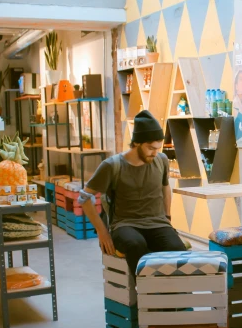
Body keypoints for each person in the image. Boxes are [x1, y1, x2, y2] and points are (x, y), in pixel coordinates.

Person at [78, 110, 186, 276]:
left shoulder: (161, 160)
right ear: (136, 143)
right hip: (125, 224)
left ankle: (173, 296)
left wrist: (168, 218)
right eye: (150, 148)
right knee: (136, 245)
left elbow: (165, 187)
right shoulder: (112, 165)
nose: (155, 153)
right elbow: (84, 197)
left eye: (158, 148)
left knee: (177, 250)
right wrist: (102, 232)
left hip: (157, 222)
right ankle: (145, 293)